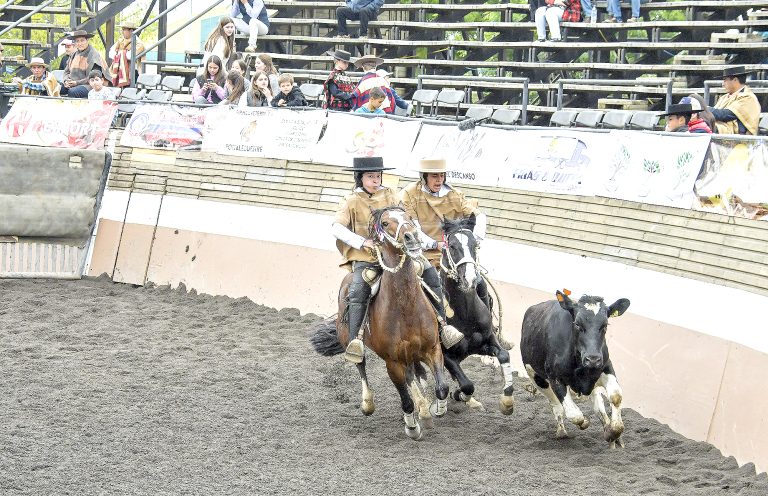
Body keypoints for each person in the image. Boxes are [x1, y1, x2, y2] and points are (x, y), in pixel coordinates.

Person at [332, 156, 465, 362]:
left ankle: (443, 325)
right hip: (368, 258)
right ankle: (355, 341)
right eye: (371, 177)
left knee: (429, 271)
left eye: (378, 176)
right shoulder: (351, 201)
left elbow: (408, 220)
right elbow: (337, 227)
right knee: (358, 286)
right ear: (360, 178)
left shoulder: (391, 195)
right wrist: (362, 242)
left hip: (399, 255)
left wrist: (417, 241)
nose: (376, 180)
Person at [400, 158, 492, 312]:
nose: (439, 180)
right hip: (423, 254)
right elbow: (413, 228)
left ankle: (489, 322)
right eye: (434, 176)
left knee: (480, 283)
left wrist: (474, 239)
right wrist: (435, 244)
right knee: (420, 286)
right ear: (424, 176)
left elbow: (480, 216)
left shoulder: (454, 194)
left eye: (442, 175)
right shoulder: (409, 194)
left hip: (454, 253)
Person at [711, 66, 761, 135]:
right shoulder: (724, 97)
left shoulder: (748, 97)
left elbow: (726, 115)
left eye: (725, 80)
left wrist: (706, 110)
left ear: (735, 80)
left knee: (704, 127)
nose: (723, 84)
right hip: (721, 128)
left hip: (737, 137)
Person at [62, 30, 109, 98]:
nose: (80, 43)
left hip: (90, 85)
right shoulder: (73, 55)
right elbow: (66, 71)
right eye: (77, 41)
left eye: (82, 40)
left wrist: (76, 83)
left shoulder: (93, 55)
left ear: (87, 40)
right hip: (72, 84)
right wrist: (66, 81)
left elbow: (94, 76)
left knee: (73, 92)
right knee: (57, 88)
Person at [108, 22, 145, 88]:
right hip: (119, 71)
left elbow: (129, 56)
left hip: (132, 72)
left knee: (128, 92)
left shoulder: (139, 44)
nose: (122, 31)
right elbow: (110, 53)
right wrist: (121, 53)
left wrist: (119, 53)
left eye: (124, 29)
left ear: (131, 31)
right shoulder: (120, 41)